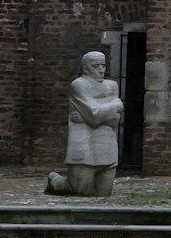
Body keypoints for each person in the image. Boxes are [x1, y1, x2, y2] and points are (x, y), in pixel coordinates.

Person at [46, 51, 123, 196]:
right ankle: (55, 181)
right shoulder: (79, 85)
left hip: (106, 142)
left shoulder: (112, 86)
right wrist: (114, 106)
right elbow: (94, 114)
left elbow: (115, 119)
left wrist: (96, 114)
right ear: (86, 68)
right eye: (96, 66)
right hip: (83, 141)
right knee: (81, 191)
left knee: (103, 194)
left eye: (103, 66)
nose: (101, 70)